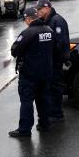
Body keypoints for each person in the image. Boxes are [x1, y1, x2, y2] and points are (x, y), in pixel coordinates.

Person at [9, 8, 54, 138]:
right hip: (46, 72)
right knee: (43, 99)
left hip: (29, 74)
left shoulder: (28, 33)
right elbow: (55, 48)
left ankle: (24, 129)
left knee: (27, 101)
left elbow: (14, 50)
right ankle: (44, 124)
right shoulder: (49, 31)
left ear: (28, 19)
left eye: (25, 20)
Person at [35, 0, 69, 124]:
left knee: (55, 88)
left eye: (40, 9)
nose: (38, 12)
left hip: (55, 61)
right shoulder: (47, 20)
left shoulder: (57, 21)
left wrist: (52, 56)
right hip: (49, 62)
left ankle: (57, 114)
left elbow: (60, 43)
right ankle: (52, 112)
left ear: (47, 8)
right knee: (50, 88)